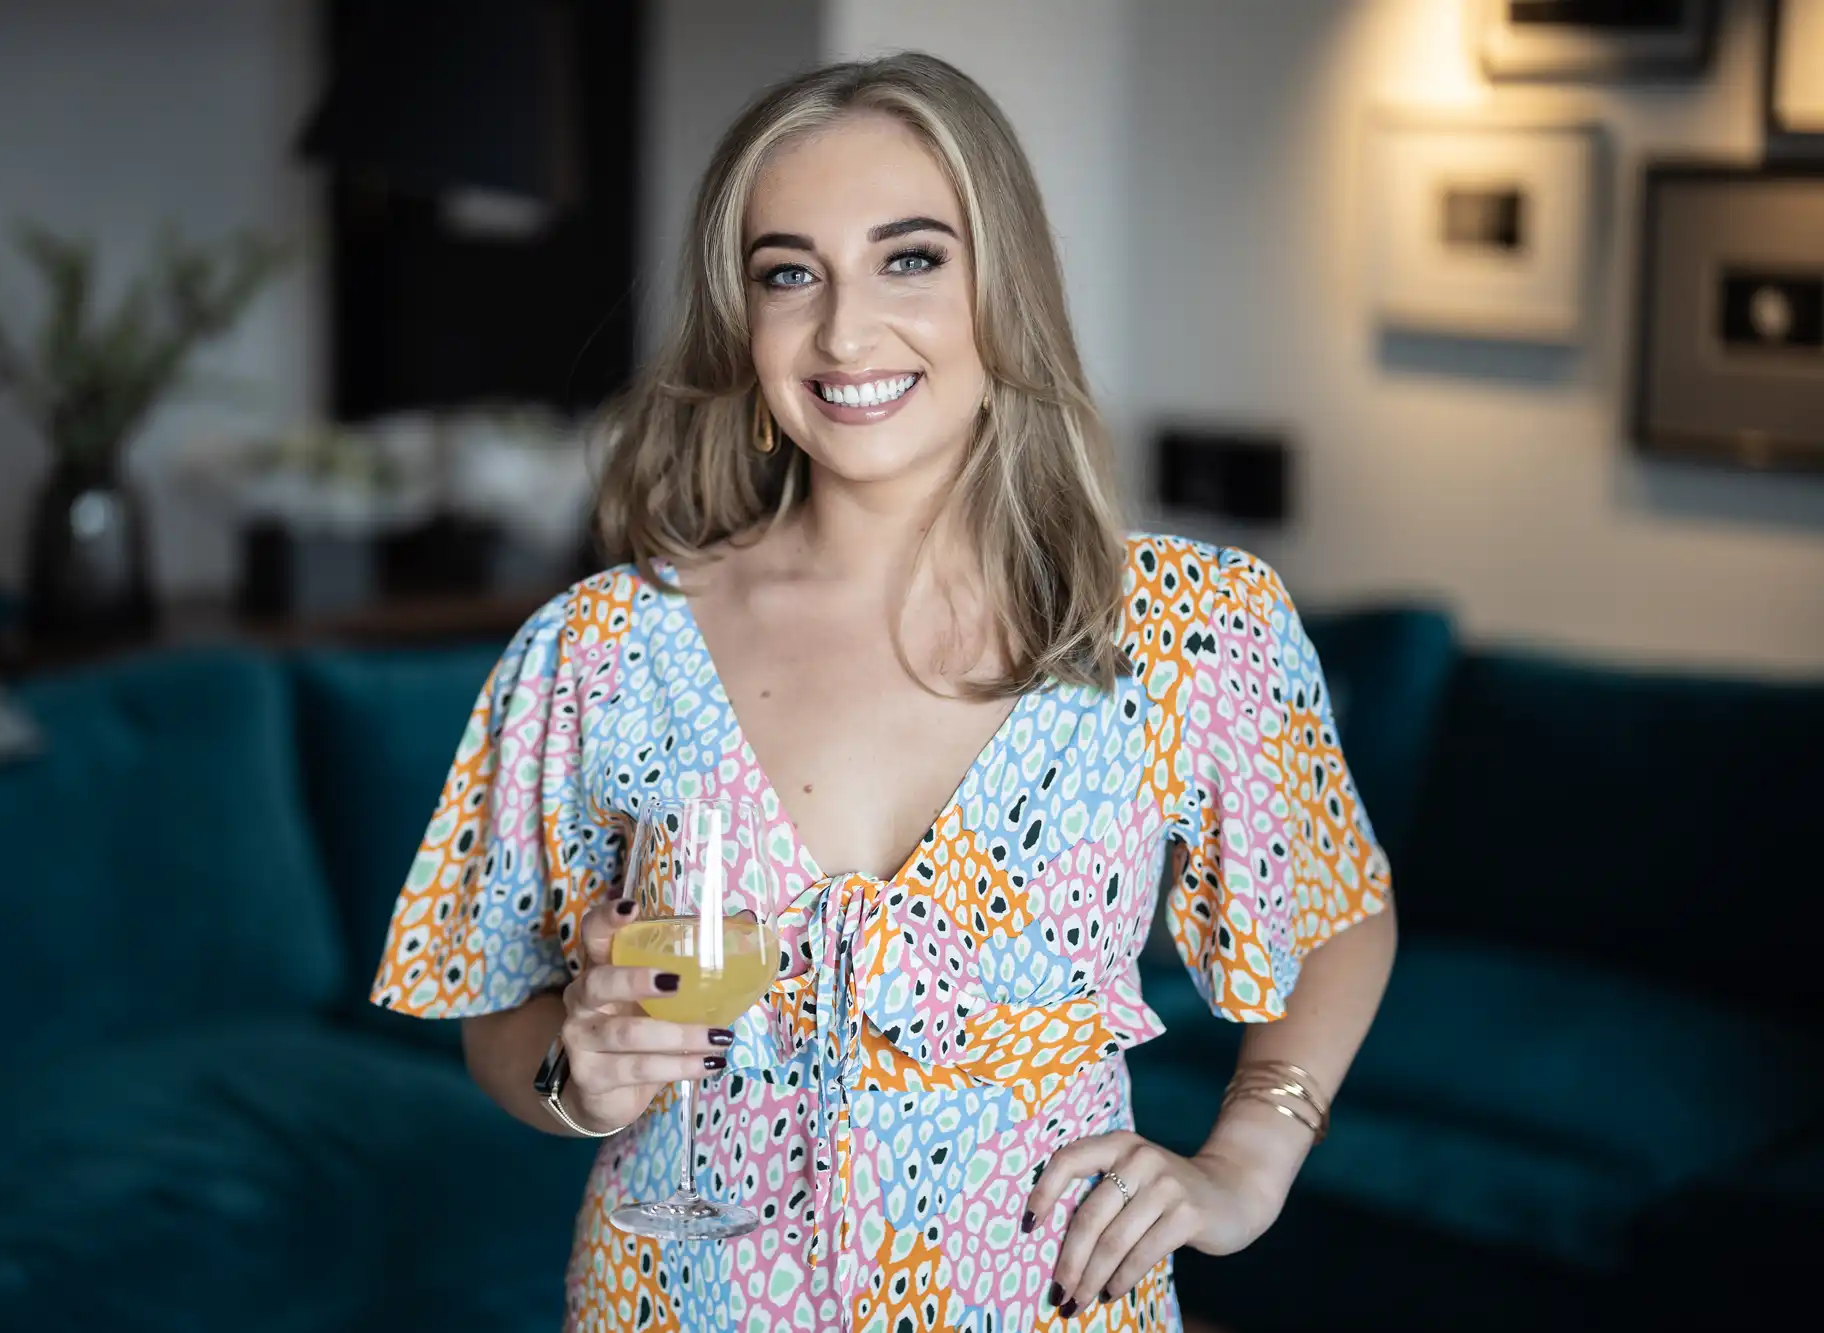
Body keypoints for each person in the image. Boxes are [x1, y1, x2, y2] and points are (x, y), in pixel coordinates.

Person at [372, 51, 1395, 1332]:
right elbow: (495, 1024)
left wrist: (1250, 1156)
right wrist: (582, 1074)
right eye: (788, 274)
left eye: (908, 258)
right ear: (742, 323)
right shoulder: (598, 651)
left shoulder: (1193, 631)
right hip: (671, 1301)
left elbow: (1338, 910)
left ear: (999, 285)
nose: (845, 332)